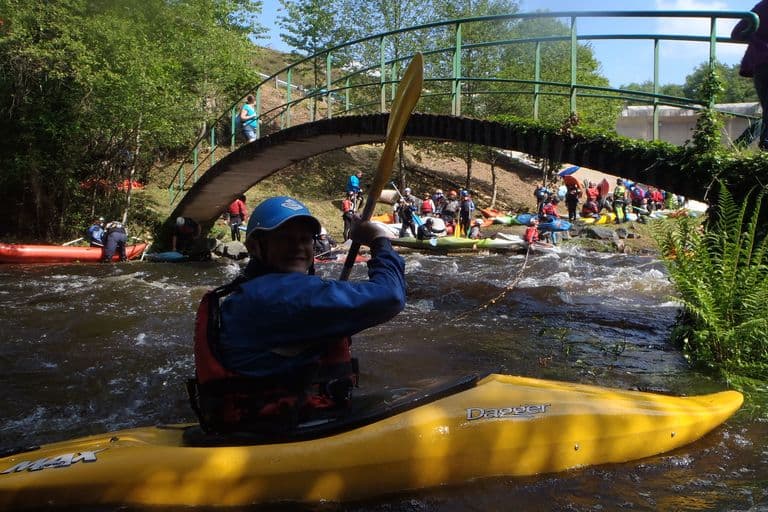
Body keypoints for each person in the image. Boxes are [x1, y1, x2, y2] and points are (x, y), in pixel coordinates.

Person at [188, 196, 406, 433]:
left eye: (305, 239)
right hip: (284, 430)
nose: (298, 247)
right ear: (255, 246)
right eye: (285, 239)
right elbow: (391, 296)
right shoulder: (283, 295)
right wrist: (379, 240)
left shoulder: (247, 291)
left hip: (254, 423)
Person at [732, 1, 768, 149]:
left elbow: (736, 34)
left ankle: (764, 146)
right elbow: (736, 33)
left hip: (761, 64)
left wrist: (757, 41)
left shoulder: (762, 6)